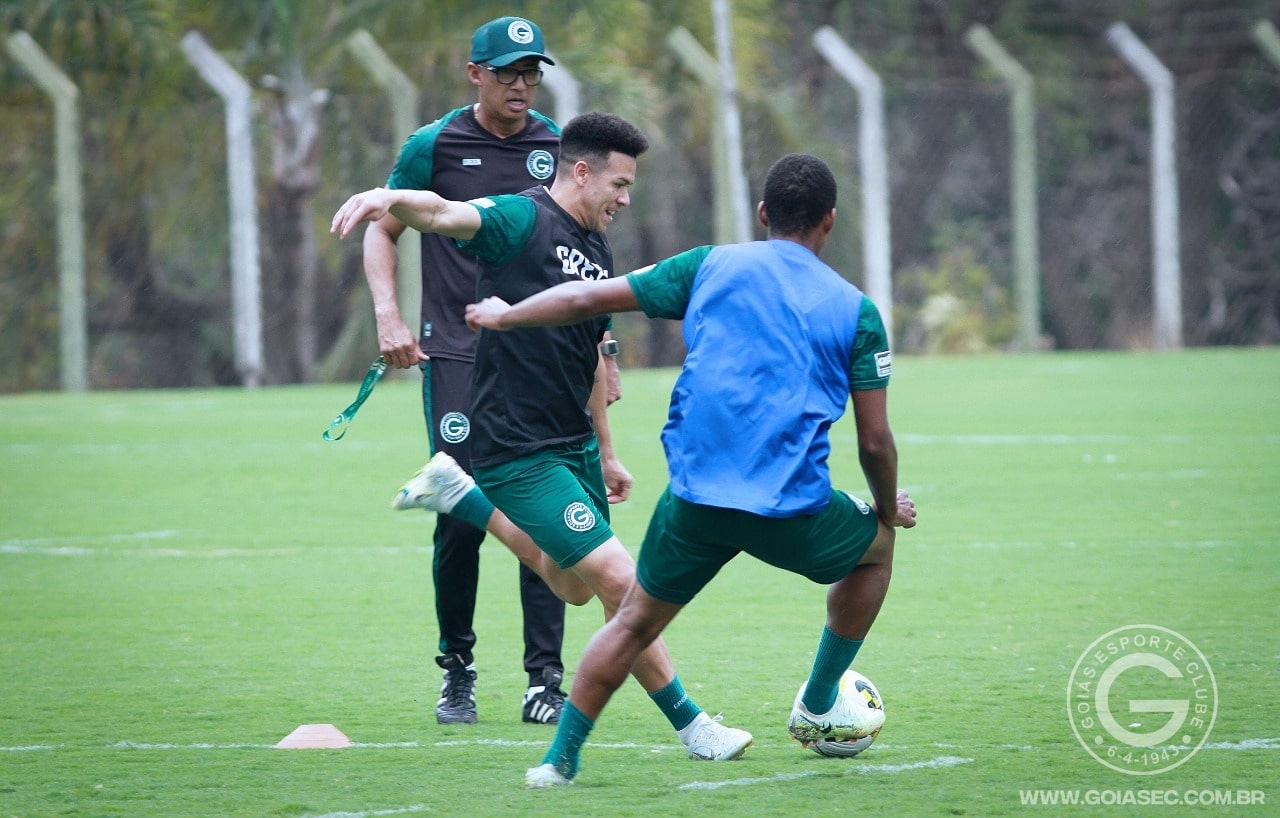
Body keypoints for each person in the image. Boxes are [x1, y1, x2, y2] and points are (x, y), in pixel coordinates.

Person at [464, 153, 918, 787]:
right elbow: (875, 443)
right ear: (830, 223)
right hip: (790, 510)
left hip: (695, 504)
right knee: (876, 550)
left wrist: (506, 314)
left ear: (763, 214)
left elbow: (584, 298)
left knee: (630, 623)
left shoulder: (708, 265)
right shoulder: (856, 310)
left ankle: (558, 762)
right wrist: (887, 503)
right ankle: (816, 704)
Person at [332, 111, 754, 766]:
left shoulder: (596, 247)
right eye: (618, 183)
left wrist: (607, 450)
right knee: (620, 577)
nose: (625, 198)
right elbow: (444, 215)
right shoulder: (519, 219)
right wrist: (390, 199)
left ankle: (459, 494)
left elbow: (588, 353)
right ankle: (693, 726)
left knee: (573, 585)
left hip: (574, 443)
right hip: (516, 448)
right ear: (580, 171)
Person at [360, 16, 611, 726]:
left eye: (531, 72)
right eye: (507, 72)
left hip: (545, 361)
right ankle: (458, 669)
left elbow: (583, 253)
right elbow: (388, 226)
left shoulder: (558, 149)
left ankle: (543, 680)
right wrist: (389, 315)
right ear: (474, 74)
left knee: (552, 510)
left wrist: (605, 351)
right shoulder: (433, 145)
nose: (521, 85)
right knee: (461, 519)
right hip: (460, 358)